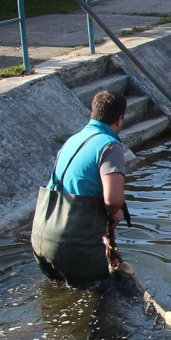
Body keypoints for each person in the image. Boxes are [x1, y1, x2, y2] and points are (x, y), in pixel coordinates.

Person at [31, 90, 128, 288]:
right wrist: (115, 214)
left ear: (93, 113)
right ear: (119, 119)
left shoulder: (73, 140)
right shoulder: (110, 146)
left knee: (59, 292)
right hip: (72, 243)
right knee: (103, 298)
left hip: (41, 235)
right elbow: (113, 199)